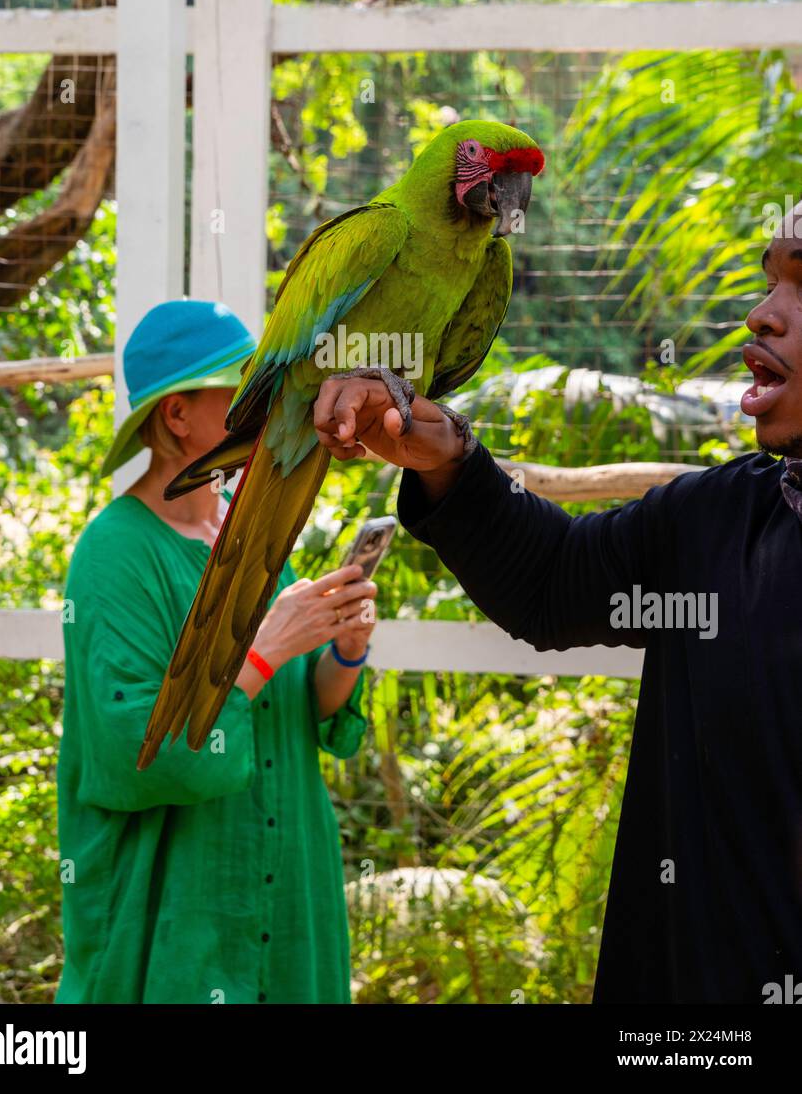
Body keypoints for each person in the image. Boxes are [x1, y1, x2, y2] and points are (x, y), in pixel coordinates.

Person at [313, 201, 802, 1005]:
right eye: (768, 281)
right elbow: (548, 583)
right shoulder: (714, 520)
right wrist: (448, 459)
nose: (760, 315)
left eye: (800, 287)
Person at [57, 299, 377, 1004]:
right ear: (176, 416)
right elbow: (133, 752)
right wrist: (262, 654)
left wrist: (344, 651)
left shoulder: (251, 531)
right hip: (175, 911)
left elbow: (293, 711)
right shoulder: (113, 554)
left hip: (289, 877)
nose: (273, 410)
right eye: (246, 394)